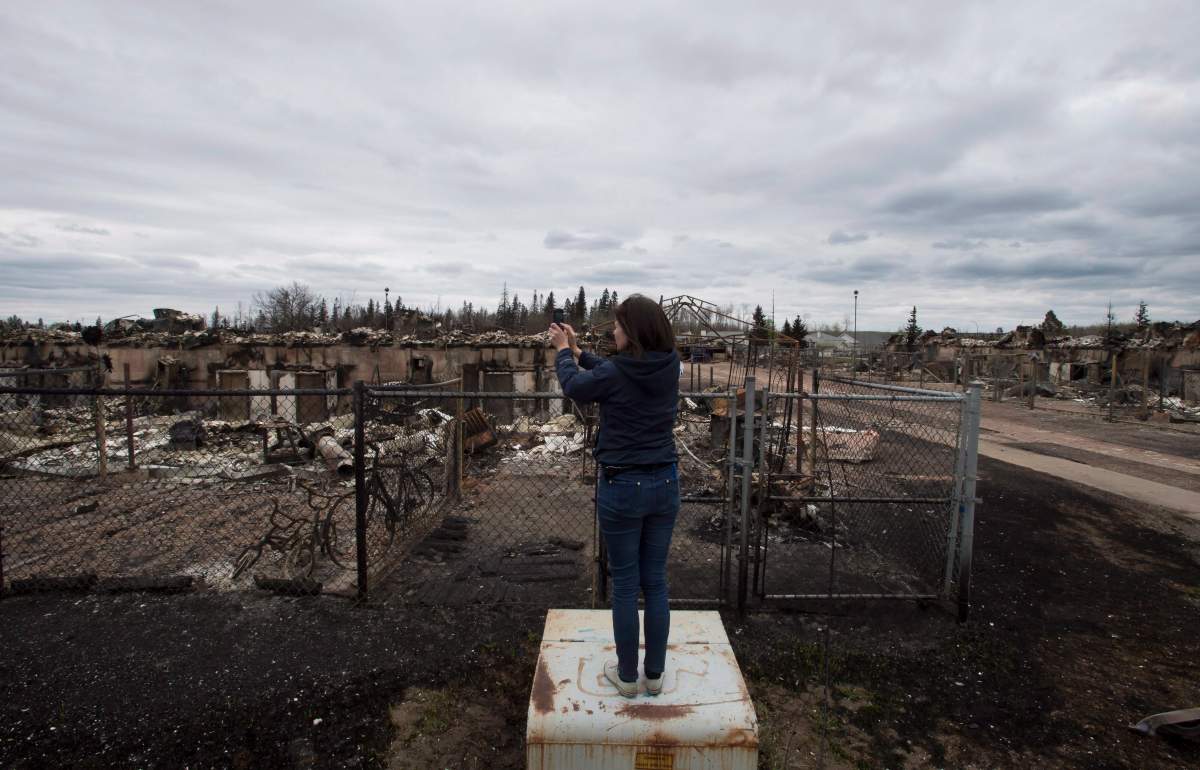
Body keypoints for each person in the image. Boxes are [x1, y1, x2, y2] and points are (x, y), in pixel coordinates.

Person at [548, 294, 681, 699]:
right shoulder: (670, 364)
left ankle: (626, 677)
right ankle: (654, 675)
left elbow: (575, 386)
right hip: (665, 484)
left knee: (625, 584)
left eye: (620, 326)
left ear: (635, 333)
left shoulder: (619, 373)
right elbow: (610, 370)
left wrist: (561, 354)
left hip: (623, 488)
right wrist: (577, 350)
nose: (614, 331)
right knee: (654, 581)